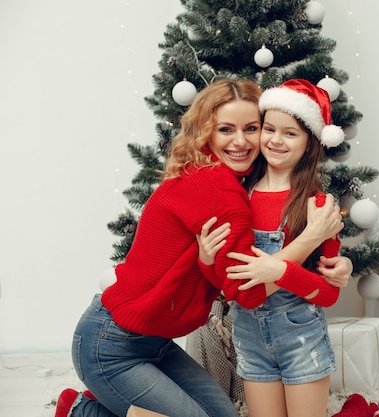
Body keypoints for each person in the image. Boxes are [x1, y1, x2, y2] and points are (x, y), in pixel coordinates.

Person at [54, 78, 350, 417]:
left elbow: (235, 275)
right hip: (111, 343)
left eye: (251, 128)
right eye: (226, 129)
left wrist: (340, 263)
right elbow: (247, 292)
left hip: (156, 343)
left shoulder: (232, 178)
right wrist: (310, 239)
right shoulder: (221, 192)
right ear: (205, 132)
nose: (241, 141)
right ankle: (82, 412)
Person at [200, 79, 379, 417]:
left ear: (310, 143)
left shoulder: (319, 206)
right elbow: (229, 281)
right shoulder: (239, 195)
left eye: (290, 133)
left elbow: (327, 295)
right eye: (269, 129)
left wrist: (281, 271)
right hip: (250, 340)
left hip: (302, 341)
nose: (275, 140)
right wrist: (205, 257)